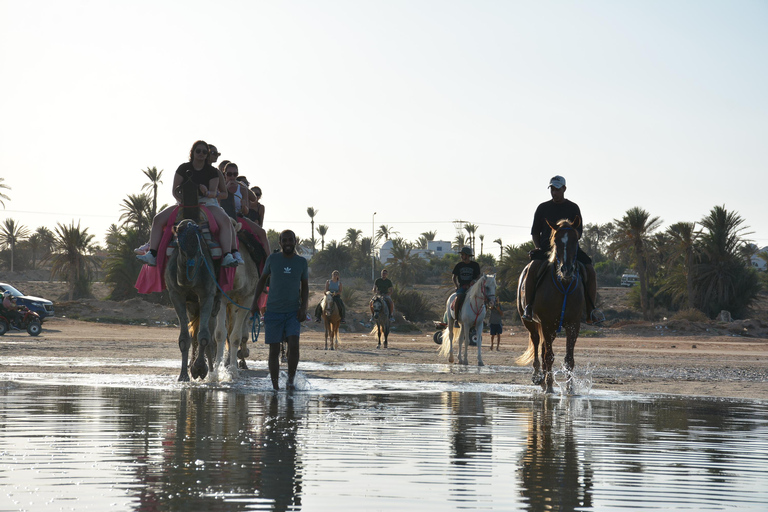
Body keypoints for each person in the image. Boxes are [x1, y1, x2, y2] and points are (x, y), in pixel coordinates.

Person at [137, 140, 237, 267]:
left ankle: (228, 255)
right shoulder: (183, 168)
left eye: (204, 152)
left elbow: (212, 192)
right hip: (184, 203)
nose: (201, 154)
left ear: (207, 155)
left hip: (207, 203)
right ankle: (152, 254)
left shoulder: (212, 171)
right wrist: (182, 198)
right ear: (193, 152)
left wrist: (206, 192)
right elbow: (175, 190)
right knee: (158, 219)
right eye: (198, 151)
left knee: (225, 220)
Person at [521, 175, 602, 323]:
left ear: (564, 189)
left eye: (557, 189)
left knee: (590, 269)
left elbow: (579, 232)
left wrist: (569, 238)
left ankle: (591, 310)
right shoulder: (542, 208)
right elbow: (534, 232)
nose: (554, 192)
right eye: (552, 189)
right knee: (532, 269)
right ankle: (528, 307)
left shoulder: (573, 208)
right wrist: (538, 247)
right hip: (546, 248)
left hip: (570, 248)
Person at [250, 230, 309, 391]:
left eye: (291, 240)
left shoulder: (301, 262)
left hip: (293, 311)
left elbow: (305, 287)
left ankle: (290, 381)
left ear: (295, 241)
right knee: (274, 349)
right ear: (280, 243)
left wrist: (304, 307)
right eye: (285, 240)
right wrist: (255, 303)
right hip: (273, 311)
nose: (288, 243)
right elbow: (262, 280)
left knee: (294, 344)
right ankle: (275, 386)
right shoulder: (272, 259)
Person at [221, 163, 270, 253]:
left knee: (262, 233)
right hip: (223, 217)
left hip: (238, 217)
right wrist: (226, 188)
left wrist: (244, 206)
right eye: (229, 174)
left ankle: (268, 262)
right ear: (224, 174)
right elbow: (217, 203)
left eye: (235, 174)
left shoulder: (242, 189)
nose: (232, 177)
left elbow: (246, 212)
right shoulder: (220, 187)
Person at [452, 246, 481, 324]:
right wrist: (456, 285)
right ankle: (456, 319)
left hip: (473, 287)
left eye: (463, 254)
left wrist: (474, 281)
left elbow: (478, 276)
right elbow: (454, 277)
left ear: (467, 256)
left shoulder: (475, 265)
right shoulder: (459, 265)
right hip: (462, 287)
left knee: (482, 298)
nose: (461, 256)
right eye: (461, 255)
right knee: (458, 298)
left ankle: (481, 317)